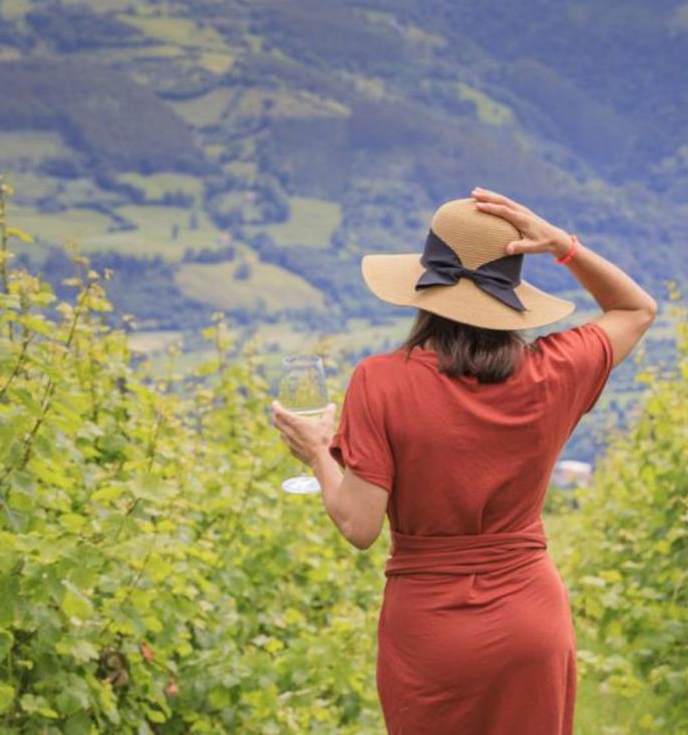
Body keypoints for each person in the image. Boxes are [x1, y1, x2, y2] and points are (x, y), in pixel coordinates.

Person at [271, 186, 657, 734]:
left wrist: (316, 453)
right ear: (510, 292)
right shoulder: (555, 371)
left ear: (425, 287)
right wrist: (562, 246)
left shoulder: (380, 382)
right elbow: (636, 308)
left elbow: (359, 525)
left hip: (429, 633)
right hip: (531, 620)